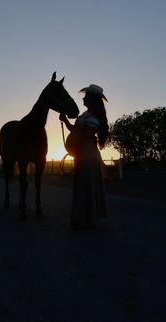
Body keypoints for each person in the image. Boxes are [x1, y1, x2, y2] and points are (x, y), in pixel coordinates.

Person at [59, 84, 109, 229]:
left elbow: (85, 137)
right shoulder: (85, 115)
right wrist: (65, 121)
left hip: (87, 156)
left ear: (91, 99)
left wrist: (74, 149)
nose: (83, 98)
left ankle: (88, 220)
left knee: (86, 186)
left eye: (86, 96)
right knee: (82, 186)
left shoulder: (93, 118)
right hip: (82, 155)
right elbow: (75, 130)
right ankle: (82, 219)